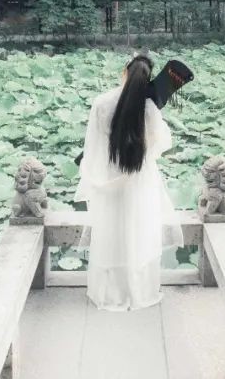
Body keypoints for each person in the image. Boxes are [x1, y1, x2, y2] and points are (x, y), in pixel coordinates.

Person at [74, 54, 184, 312]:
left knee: (111, 234)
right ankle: (140, 291)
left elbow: (93, 147)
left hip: (110, 178)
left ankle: (109, 294)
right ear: (148, 79)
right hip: (140, 179)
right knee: (139, 234)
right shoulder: (149, 108)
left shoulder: (101, 103)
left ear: (124, 72)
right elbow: (161, 143)